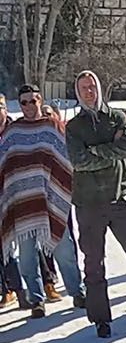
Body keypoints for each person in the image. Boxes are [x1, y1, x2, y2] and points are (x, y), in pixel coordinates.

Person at [66, 70, 126, 336]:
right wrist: (107, 149)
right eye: (84, 88)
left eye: (92, 86)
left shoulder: (118, 117)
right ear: (78, 92)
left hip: (119, 197)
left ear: (100, 89)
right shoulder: (74, 126)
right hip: (88, 204)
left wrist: (96, 150)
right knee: (94, 262)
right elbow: (78, 161)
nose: (89, 92)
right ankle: (101, 318)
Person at [2, 86, 81, 320]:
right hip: (22, 204)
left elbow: (66, 159)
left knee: (64, 250)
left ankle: (77, 291)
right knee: (27, 257)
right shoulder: (12, 132)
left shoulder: (53, 126)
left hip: (50, 201)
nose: (28, 106)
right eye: (23, 102)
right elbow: (4, 162)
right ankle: (36, 300)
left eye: (33, 101)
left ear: (40, 100)